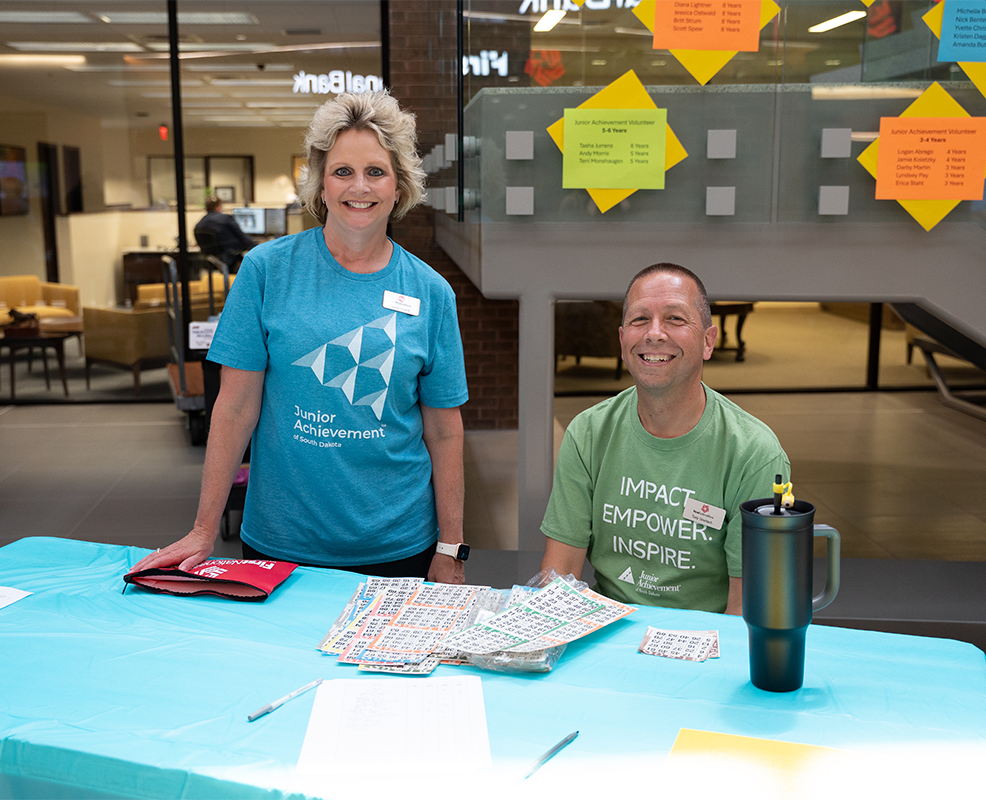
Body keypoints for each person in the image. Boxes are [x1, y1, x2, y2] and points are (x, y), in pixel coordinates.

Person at [133, 92, 470, 583]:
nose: (360, 187)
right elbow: (233, 408)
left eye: (376, 171)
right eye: (342, 171)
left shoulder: (431, 293)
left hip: (398, 546)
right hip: (280, 542)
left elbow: (444, 430)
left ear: (399, 187)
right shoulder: (265, 271)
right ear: (320, 183)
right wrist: (204, 529)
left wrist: (451, 546)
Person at [539, 264, 789, 614]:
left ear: (708, 341)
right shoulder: (588, 433)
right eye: (640, 319)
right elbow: (558, 576)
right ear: (622, 339)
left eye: (675, 319)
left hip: (705, 644)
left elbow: (747, 608)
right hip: (607, 633)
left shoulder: (755, 454)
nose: (654, 334)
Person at [193, 195, 256, 269]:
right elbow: (242, 237)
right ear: (218, 207)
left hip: (211, 261)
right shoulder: (226, 218)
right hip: (229, 258)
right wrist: (257, 245)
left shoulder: (199, 224)